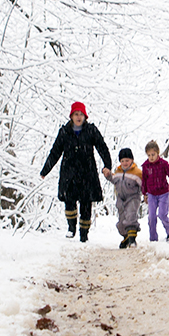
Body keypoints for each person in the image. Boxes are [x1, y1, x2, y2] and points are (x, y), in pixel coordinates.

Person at [40, 102, 112, 242]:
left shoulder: (91, 130)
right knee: (69, 200)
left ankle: (84, 234)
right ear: (71, 116)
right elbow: (55, 152)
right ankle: (71, 227)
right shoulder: (64, 132)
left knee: (86, 204)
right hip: (69, 172)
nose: (78, 117)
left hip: (87, 172)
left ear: (85, 116)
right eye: (76, 114)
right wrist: (45, 170)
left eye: (81, 114)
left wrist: (107, 165)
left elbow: (102, 147)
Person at [104, 148, 143, 248]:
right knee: (121, 221)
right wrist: (108, 175)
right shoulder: (118, 171)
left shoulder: (137, 172)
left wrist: (146, 194)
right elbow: (114, 180)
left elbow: (143, 185)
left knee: (130, 216)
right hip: (121, 199)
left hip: (133, 198)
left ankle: (132, 239)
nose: (125, 163)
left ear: (132, 160)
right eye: (122, 161)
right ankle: (126, 237)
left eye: (127, 160)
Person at [141, 140, 169, 242]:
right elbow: (144, 181)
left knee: (162, 214)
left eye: (153, 154)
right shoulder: (146, 166)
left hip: (163, 193)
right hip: (151, 194)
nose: (151, 157)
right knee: (151, 216)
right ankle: (153, 238)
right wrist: (145, 194)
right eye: (149, 155)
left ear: (158, 153)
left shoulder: (163, 164)